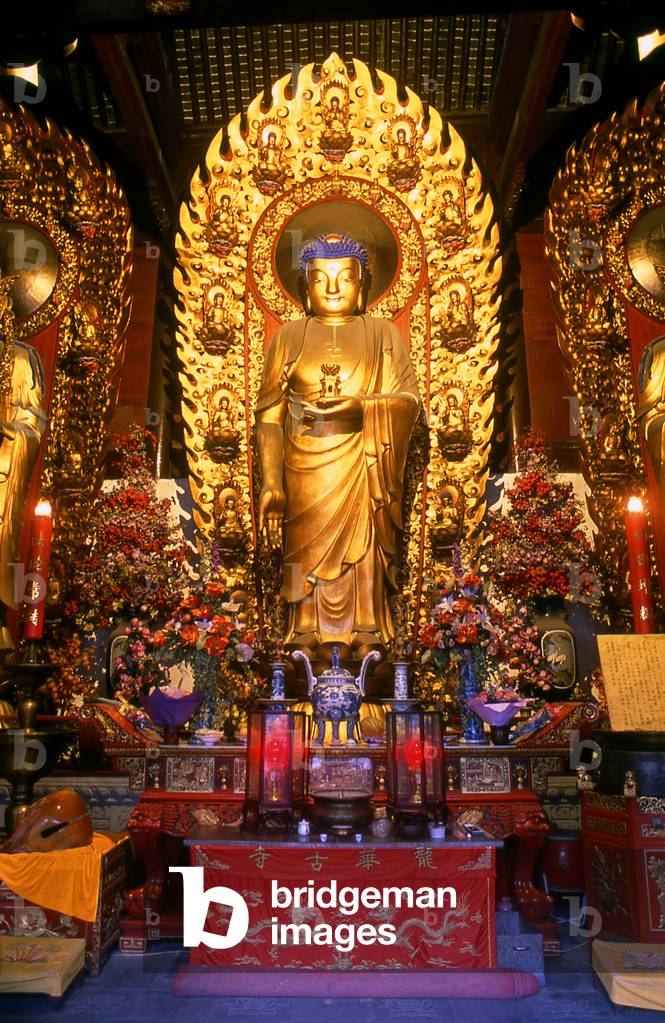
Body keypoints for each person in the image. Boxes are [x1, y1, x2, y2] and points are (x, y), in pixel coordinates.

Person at [255, 233, 421, 649]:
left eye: (345, 278)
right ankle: (303, 631)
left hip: (362, 465)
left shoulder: (383, 334)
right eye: (320, 278)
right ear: (305, 289)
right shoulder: (289, 336)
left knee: (363, 551)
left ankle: (367, 629)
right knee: (303, 557)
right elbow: (270, 414)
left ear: (362, 287)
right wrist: (273, 483)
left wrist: (363, 409)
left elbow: (409, 401)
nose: (332, 288)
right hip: (302, 469)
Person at [0, 275, 47, 650]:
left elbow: (33, 422)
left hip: (3, 472)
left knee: (5, 542)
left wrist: (8, 430)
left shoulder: (20, 358)